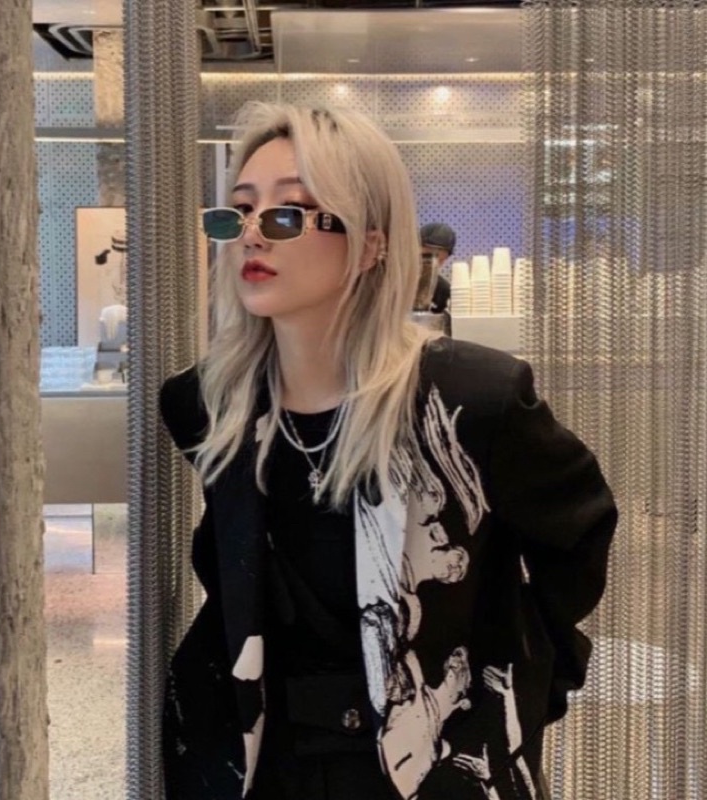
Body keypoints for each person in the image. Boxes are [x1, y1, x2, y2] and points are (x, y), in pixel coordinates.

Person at [158, 101, 617, 800]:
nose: (251, 234)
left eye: (287, 215)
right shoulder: (209, 406)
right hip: (261, 764)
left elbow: (578, 537)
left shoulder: (470, 401)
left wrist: (527, 684)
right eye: (238, 213)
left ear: (370, 243)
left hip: (433, 765)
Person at [420, 222, 455, 315]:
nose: (431, 264)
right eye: (426, 256)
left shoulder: (443, 291)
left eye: (439, 260)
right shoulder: (391, 282)